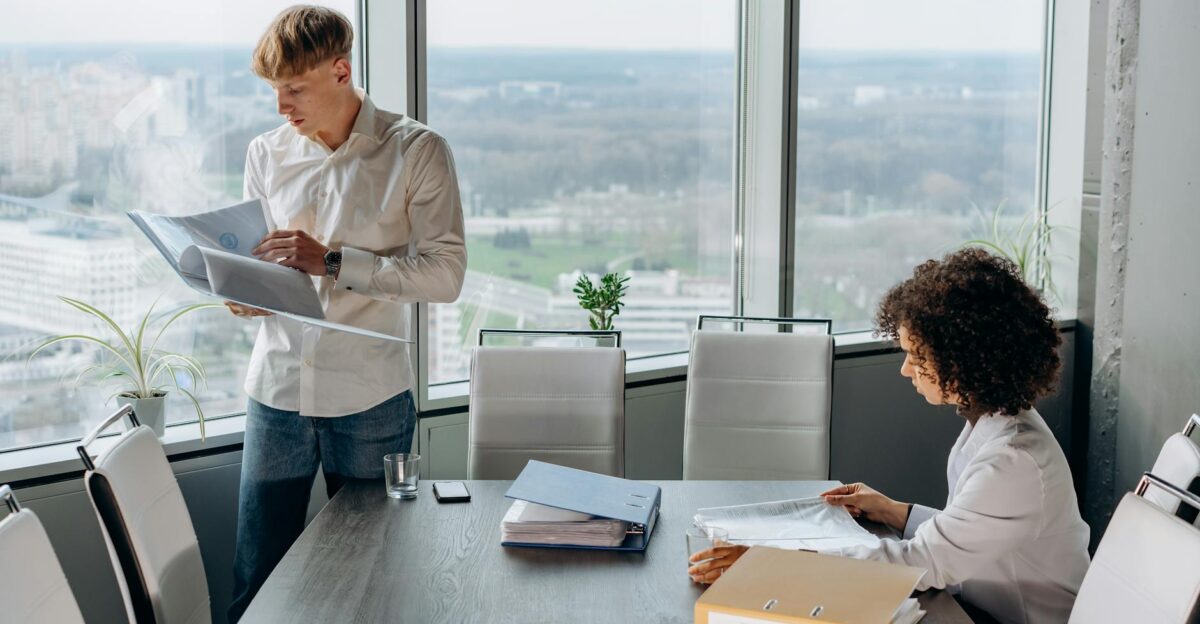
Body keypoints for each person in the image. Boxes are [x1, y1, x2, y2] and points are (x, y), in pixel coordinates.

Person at [688, 248, 1090, 624]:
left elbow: (920, 563)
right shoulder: (998, 422)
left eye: (917, 357)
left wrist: (766, 563)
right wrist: (894, 510)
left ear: (963, 359)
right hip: (973, 605)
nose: (905, 370)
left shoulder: (1014, 460)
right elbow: (970, 530)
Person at [226, 6, 466, 621]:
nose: (282, 106)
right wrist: (246, 294)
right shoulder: (266, 152)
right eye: (274, 91)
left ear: (341, 70)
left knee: (378, 573)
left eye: (294, 89)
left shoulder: (417, 151)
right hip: (275, 391)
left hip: (371, 398)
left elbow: (445, 275)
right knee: (258, 575)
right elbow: (269, 266)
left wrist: (334, 262)